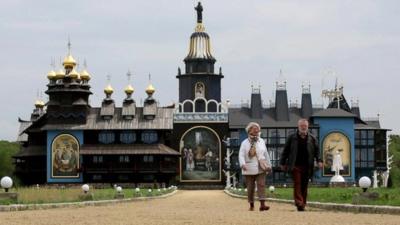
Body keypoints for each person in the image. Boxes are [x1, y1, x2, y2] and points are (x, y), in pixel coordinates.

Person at [280, 119, 323, 211]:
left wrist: (319, 160)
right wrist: (282, 163)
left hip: (307, 165)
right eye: (301, 126)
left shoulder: (312, 138)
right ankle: (299, 202)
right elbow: (285, 151)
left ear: (307, 127)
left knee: (304, 184)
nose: (303, 127)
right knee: (297, 183)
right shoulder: (292, 137)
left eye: (305, 126)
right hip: (295, 165)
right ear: (298, 127)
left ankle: (302, 204)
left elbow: (317, 152)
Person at [239, 122, 272, 211]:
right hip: (249, 167)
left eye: (258, 128)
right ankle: (251, 204)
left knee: (261, 184)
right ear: (249, 130)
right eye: (255, 128)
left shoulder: (261, 141)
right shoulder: (244, 143)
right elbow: (241, 155)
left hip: (261, 166)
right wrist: (242, 164)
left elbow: (266, 153)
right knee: (250, 187)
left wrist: (269, 165)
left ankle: (262, 205)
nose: (257, 130)